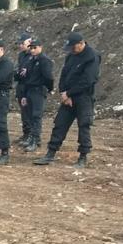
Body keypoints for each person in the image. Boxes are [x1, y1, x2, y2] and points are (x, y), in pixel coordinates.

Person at [34, 32, 100, 168]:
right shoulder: (71, 56)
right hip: (68, 97)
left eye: (73, 47)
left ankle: (83, 157)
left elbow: (88, 80)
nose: (72, 50)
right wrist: (63, 93)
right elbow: (64, 75)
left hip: (84, 97)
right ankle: (50, 153)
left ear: (81, 43)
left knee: (84, 126)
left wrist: (70, 93)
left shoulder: (92, 56)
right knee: (60, 124)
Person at [20, 39, 54, 153]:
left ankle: (36, 139)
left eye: (35, 48)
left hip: (39, 90)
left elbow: (49, 77)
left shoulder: (44, 60)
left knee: (36, 115)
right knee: (30, 115)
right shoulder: (31, 60)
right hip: (30, 90)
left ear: (40, 47)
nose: (32, 50)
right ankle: (31, 137)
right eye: (31, 48)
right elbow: (26, 78)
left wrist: (49, 89)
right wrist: (24, 94)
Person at [13, 33, 33, 146]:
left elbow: (28, 72)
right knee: (24, 112)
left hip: (29, 86)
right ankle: (26, 134)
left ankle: (31, 135)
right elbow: (19, 71)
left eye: (22, 43)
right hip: (21, 86)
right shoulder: (21, 55)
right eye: (20, 43)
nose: (21, 45)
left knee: (29, 112)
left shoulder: (33, 55)